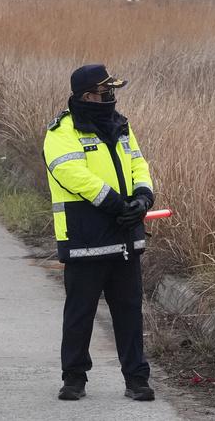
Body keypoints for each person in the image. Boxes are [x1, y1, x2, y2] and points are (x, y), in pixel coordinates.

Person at [43, 64, 155, 402]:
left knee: (129, 312)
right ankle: (74, 378)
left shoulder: (121, 126)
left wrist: (142, 198)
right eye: (106, 93)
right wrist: (117, 204)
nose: (111, 98)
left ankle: (137, 379)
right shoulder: (61, 131)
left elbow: (138, 163)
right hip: (85, 238)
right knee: (80, 314)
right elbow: (71, 173)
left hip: (124, 237)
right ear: (87, 96)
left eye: (112, 93)